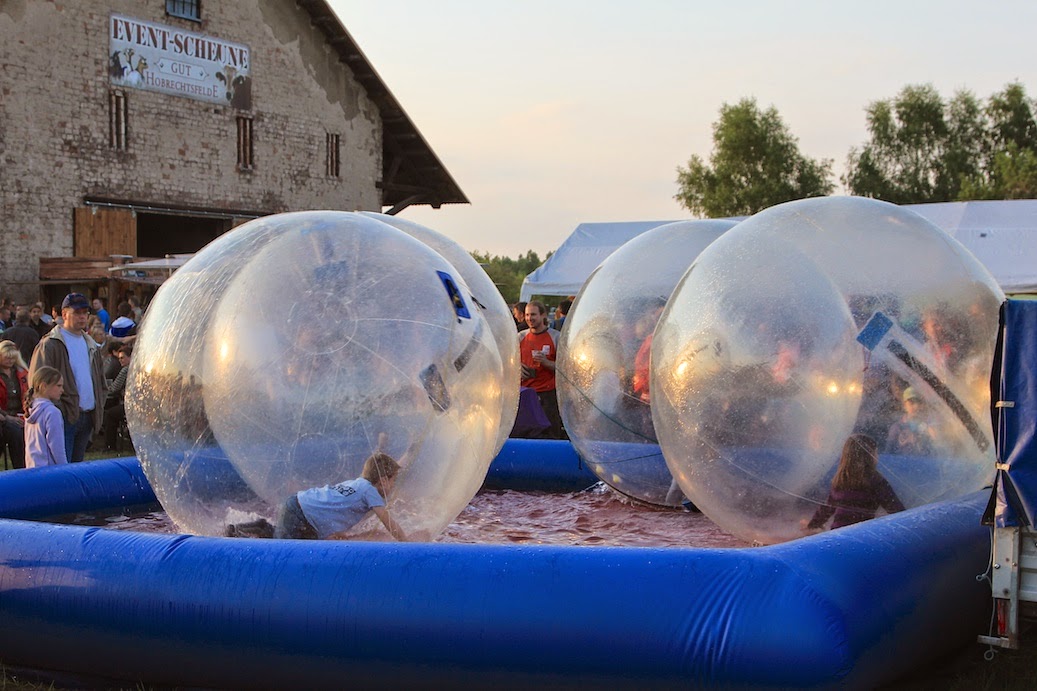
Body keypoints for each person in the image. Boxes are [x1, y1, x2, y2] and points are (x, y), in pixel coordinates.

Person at [225, 435, 416, 541]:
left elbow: (378, 466)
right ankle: (238, 532)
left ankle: (259, 526)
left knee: (292, 538)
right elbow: (388, 522)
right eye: (392, 481)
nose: (394, 485)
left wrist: (406, 450)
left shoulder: (361, 483)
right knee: (281, 546)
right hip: (302, 515)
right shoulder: (371, 492)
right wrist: (408, 545)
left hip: (299, 507)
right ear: (382, 481)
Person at [29, 293, 106, 463]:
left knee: (76, 470)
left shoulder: (91, 344)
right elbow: (37, 382)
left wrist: (99, 404)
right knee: (61, 469)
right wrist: (57, 410)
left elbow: (100, 380)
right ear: (64, 314)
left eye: (85, 313)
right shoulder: (50, 344)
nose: (82, 317)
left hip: (87, 415)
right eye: (77, 313)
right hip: (63, 416)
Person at [805, 433, 905, 532]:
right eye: (876, 453)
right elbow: (897, 510)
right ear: (869, 457)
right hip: (860, 534)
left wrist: (812, 525)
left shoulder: (841, 480)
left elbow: (826, 508)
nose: (877, 456)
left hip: (837, 534)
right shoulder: (876, 481)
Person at [519, 300, 563, 439]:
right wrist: (517, 368)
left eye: (533, 314)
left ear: (543, 315)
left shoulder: (556, 337)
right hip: (526, 394)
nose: (529, 318)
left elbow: (565, 369)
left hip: (548, 395)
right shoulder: (520, 337)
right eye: (527, 315)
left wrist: (546, 363)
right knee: (527, 435)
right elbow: (510, 363)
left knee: (551, 435)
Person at [22, 366, 66, 468]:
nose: (62, 390)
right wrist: (65, 468)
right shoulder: (52, 412)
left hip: (32, 468)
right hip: (49, 470)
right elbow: (57, 447)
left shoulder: (30, 409)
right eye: (58, 386)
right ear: (44, 386)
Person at [0, 340, 30, 468]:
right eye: (7, 357)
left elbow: (29, 395)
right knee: (15, 432)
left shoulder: (23, 374)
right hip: (3, 417)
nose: (10, 360)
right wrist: (7, 417)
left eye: (13, 357)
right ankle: (20, 467)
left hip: (21, 414)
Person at [885, 386, 936, 456]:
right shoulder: (897, 427)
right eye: (911, 403)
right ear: (904, 406)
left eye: (918, 402)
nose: (915, 406)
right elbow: (888, 453)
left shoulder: (927, 427)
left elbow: (935, 452)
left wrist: (934, 438)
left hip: (922, 461)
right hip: (902, 462)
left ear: (921, 405)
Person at [103, 344, 132, 452]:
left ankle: (110, 446)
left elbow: (114, 388)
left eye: (122, 358)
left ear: (130, 357)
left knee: (110, 414)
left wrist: (103, 389)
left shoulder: (126, 370)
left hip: (129, 406)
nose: (120, 360)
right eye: (119, 358)